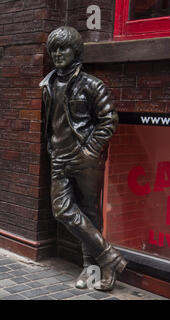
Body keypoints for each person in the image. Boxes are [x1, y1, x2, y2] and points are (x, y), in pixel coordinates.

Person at [40, 26, 127, 291]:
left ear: (76, 51)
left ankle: (94, 272)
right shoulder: (48, 83)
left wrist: (89, 151)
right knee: (63, 210)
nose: (57, 54)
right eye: (53, 49)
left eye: (63, 48)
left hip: (84, 158)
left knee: (89, 212)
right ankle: (109, 257)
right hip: (58, 158)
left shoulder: (91, 85)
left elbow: (108, 120)